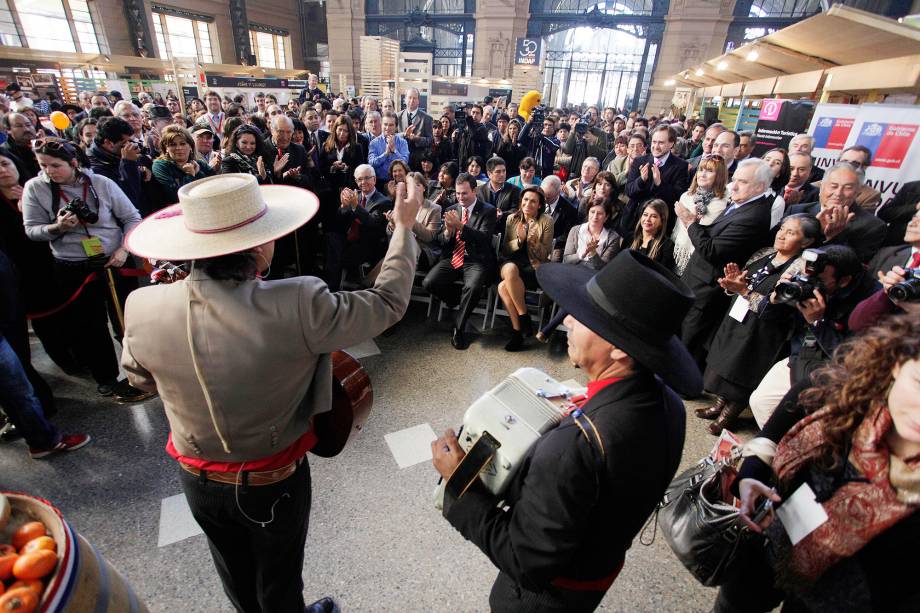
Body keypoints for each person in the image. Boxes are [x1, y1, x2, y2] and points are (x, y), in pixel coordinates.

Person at [120, 172, 422, 613]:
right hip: (273, 479)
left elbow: (140, 380)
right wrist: (404, 228)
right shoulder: (298, 301)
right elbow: (387, 304)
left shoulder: (141, 305)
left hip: (196, 477)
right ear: (261, 247)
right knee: (279, 580)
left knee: (235, 576)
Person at [432, 249, 700, 613]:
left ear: (620, 350)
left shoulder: (574, 445)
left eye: (586, 317)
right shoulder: (669, 404)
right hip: (596, 571)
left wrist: (458, 481)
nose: (568, 321)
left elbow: (526, 561)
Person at [713, 313, 920, 612]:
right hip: (774, 540)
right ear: (899, 364)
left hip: (844, 600)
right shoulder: (855, 391)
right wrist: (755, 463)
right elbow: (801, 395)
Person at [20, 138, 151, 402]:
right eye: (43, 165)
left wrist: (123, 249)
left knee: (127, 320)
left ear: (74, 163)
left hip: (114, 261)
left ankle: (142, 372)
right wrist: (56, 228)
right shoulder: (35, 188)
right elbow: (32, 230)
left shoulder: (101, 183)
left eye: (56, 165)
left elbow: (131, 217)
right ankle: (106, 378)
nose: (49, 171)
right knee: (89, 326)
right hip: (73, 266)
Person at [698, 213, 822, 434]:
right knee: (725, 360)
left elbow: (773, 307)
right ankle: (719, 404)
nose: (782, 235)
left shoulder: (800, 271)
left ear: (807, 242)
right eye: (782, 228)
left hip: (765, 330)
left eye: (791, 232)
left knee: (743, 370)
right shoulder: (764, 253)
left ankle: (729, 415)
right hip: (739, 318)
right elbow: (741, 282)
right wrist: (731, 284)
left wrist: (743, 290)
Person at [749, 244, 878, 427]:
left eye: (820, 280)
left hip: (836, 371)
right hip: (802, 354)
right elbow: (766, 314)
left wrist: (817, 322)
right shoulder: (804, 279)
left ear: (844, 281)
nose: (810, 283)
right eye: (807, 276)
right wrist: (776, 296)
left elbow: (849, 357)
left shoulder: (869, 303)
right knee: (761, 401)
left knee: (809, 420)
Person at [676, 158, 774, 372]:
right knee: (684, 331)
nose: (734, 186)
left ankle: (681, 382)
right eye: (735, 179)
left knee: (691, 338)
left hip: (708, 287)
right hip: (698, 280)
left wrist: (690, 221)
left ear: (760, 186)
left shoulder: (753, 216)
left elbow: (712, 250)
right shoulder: (742, 204)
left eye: (743, 182)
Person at [0, 250, 91, 459]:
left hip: (9, 318)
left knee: (17, 389)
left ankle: (39, 437)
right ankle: (45, 440)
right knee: (19, 390)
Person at [422, 172, 497, 350]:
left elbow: (484, 239)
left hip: (476, 259)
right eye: (457, 193)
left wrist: (460, 226)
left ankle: (458, 327)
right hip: (453, 256)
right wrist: (448, 232)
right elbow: (441, 240)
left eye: (464, 193)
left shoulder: (488, 210)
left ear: (474, 191)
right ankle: (457, 301)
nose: (460, 197)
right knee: (429, 282)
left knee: (473, 286)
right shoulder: (451, 209)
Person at [786, 162, 886, 264]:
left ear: (857, 193)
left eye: (848, 188)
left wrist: (833, 237)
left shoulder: (872, 226)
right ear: (821, 187)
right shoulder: (796, 211)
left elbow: (853, 266)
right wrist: (817, 231)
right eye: (833, 186)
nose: (838, 193)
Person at [497, 186, 554, 351]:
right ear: (521, 201)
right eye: (526, 200)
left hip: (532, 267)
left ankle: (517, 332)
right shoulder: (511, 218)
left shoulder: (546, 221)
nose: (528, 204)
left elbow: (545, 256)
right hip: (510, 263)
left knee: (502, 287)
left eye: (533, 201)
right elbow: (505, 250)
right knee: (510, 270)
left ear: (539, 205)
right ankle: (524, 315)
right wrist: (519, 241)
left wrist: (534, 242)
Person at [623, 124, 689, 241]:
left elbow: (677, 198)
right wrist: (641, 181)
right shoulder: (639, 161)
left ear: (671, 143)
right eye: (654, 142)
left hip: (659, 228)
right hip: (634, 223)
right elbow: (629, 191)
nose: (656, 146)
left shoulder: (680, 166)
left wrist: (660, 184)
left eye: (661, 143)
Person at [672, 155, 729, 275]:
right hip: (677, 254)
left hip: (700, 261)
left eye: (709, 171)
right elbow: (677, 230)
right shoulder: (686, 196)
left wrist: (693, 222)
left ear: (719, 176)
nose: (702, 174)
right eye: (700, 169)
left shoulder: (724, 204)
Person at [88, 117, 144, 209]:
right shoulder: (95, 169)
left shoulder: (119, 155)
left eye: (131, 141)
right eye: (125, 143)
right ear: (108, 143)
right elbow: (129, 198)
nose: (130, 146)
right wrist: (129, 163)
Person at [152, 125, 216, 205]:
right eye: (173, 145)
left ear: (190, 146)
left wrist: (198, 173)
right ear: (166, 148)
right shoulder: (160, 166)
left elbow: (214, 187)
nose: (178, 148)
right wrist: (190, 175)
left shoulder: (199, 163)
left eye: (182, 144)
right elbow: (175, 197)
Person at [563, 199, 621, 270]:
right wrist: (582, 253)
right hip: (571, 271)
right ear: (588, 213)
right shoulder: (575, 230)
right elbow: (566, 260)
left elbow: (604, 269)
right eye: (592, 212)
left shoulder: (613, 238)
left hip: (593, 277)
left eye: (600, 213)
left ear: (606, 217)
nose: (595, 216)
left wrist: (593, 253)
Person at [319, 115, 363, 194]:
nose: (342, 133)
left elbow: (359, 170)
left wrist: (345, 168)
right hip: (329, 191)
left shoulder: (357, 148)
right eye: (340, 129)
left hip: (349, 190)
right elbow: (321, 168)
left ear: (350, 132)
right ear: (335, 129)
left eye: (346, 131)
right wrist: (332, 168)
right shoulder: (327, 146)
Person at [476, 157, 521, 231]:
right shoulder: (479, 190)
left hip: (505, 230)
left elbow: (516, 210)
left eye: (504, 171)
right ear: (489, 174)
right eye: (498, 172)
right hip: (483, 229)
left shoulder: (515, 190)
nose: (502, 174)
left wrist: (502, 214)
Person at [630, 199, 675, 271]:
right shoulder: (630, 238)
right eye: (645, 215)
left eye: (653, 216)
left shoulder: (666, 246)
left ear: (662, 221)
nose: (647, 219)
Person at [541, 175, 577, 257]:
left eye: (548, 197)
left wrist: (550, 241)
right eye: (543, 196)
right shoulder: (537, 200)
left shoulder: (570, 210)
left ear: (558, 192)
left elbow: (567, 235)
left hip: (554, 249)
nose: (544, 200)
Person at [368, 112, 409, 181]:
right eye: (385, 124)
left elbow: (405, 162)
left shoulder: (403, 142)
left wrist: (394, 150)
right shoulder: (374, 143)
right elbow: (371, 163)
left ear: (396, 127)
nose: (387, 128)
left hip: (399, 181)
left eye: (391, 125)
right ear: (381, 125)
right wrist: (385, 154)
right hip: (379, 182)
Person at [518, 113, 559, 179]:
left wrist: (540, 134)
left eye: (550, 125)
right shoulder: (533, 137)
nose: (547, 127)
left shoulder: (555, 140)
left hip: (544, 175)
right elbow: (520, 139)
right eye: (545, 125)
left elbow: (553, 147)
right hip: (529, 172)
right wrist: (528, 123)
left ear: (553, 129)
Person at [397, 87, 432, 154]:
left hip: (419, 159)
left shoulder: (427, 118)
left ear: (418, 101)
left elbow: (430, 141)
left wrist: (417, 139)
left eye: (414, 98)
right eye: (409, 97)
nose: (412, 100)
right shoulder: (397, 116)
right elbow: (392, 135)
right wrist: (404, 135)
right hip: (401, 157)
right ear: (405, 99)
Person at [761, 148, 791, 228]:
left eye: (777, 163)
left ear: (779, 173)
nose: (770, 164)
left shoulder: (777, 202)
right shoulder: (733, 185)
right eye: (767, 159)